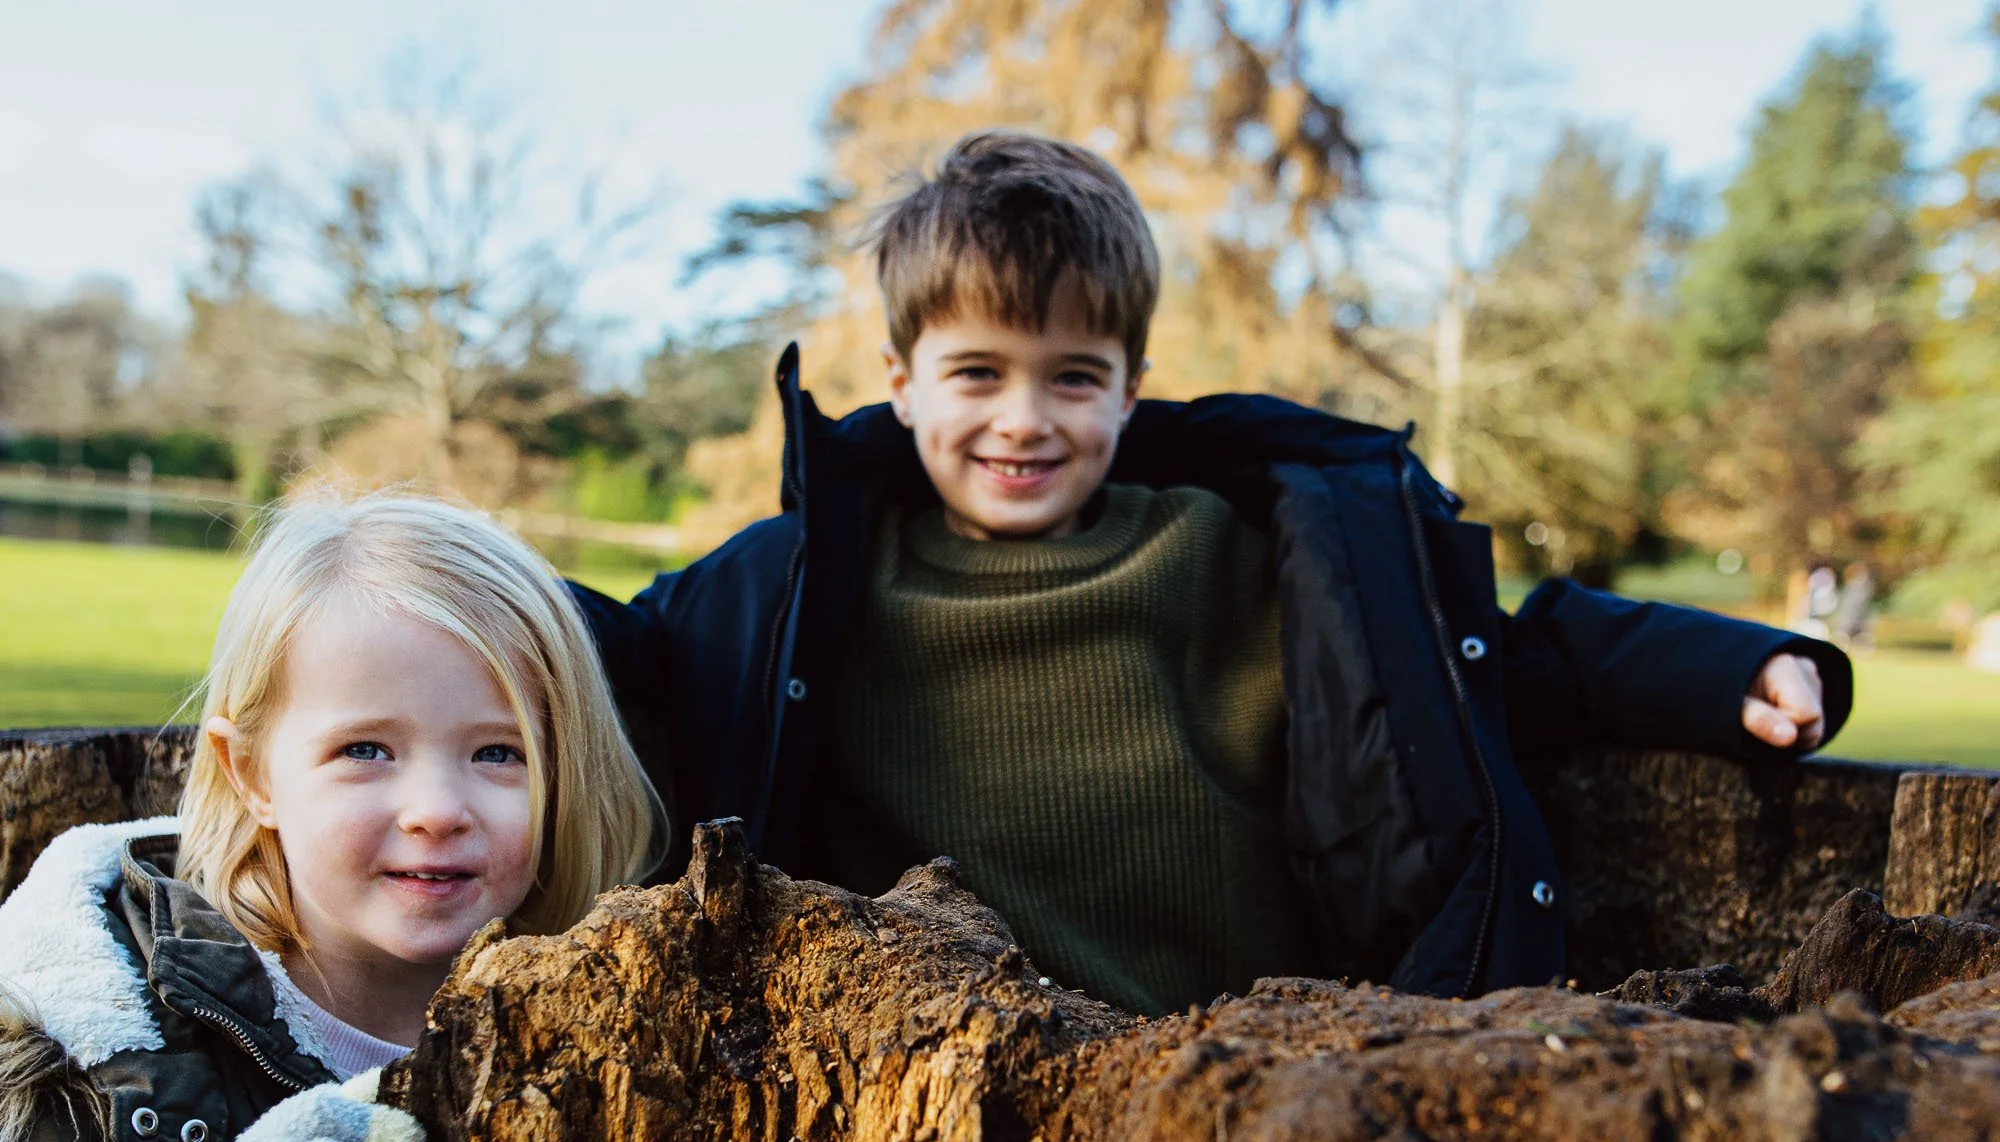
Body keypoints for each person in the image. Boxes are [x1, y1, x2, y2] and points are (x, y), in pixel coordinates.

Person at [571, 130, 1850, 1013]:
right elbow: (604, 655)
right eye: (976, 375)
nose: (1023, 420)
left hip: (1238, 1070)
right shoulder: (793, 593)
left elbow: (1487, 660)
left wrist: (1729, 663)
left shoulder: (1241, 557)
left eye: (1072, 378)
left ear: (1131, 389)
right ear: (899, 382)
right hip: (937, 1090)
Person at [0, 492, 661, 1142]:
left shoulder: (619, 1020)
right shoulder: (118, 1051)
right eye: (366, 750)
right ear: (253, 775)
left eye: (498, 752)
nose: (436, 808)